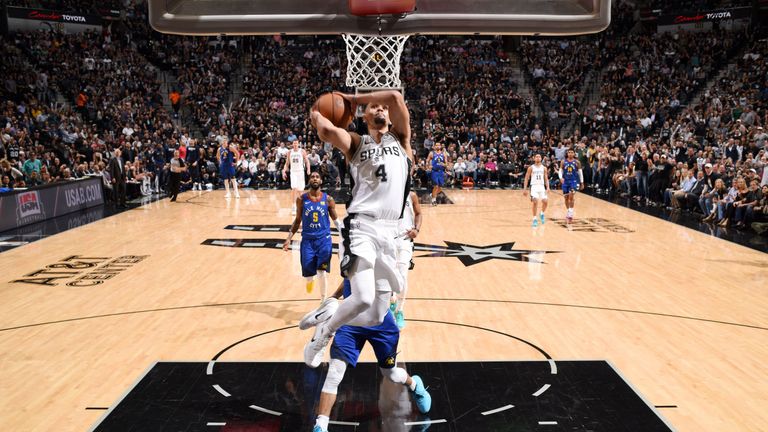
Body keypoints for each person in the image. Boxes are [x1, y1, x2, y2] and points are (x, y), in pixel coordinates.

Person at [303, 90, 413, 368]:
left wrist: (356, 97)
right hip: (362, 226)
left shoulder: (402, 141)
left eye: (382, 108)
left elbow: (396, 97)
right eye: (373, 108)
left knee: (376, 315)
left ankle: (330, 313)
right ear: (362, 117)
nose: (380, 110)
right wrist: (316, 113)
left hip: (392, 232)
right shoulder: (356, 142)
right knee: (362, 296)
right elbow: (327, 130)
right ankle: (322, 336)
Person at [307, 280, 431, 432]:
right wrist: (333, 297)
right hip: (350, 322)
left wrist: (391, 294)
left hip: (381, 323)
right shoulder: (350, 256)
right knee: (334, 372)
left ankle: (414, 385)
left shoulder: (384, 258)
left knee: (390, 374)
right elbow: (348, 276)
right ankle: (320, 425)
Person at [283, 172, 341, 300]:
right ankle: (310, 280)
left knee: (322, 272)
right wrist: (288, 238)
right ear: (309, 181)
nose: (315, 178)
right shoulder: (301, 200)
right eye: (312, 177)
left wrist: (344, 235)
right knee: (309, 275)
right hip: (308, 241)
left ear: (321, 181)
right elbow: (297, 221)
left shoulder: (328, 199)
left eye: (317, 177)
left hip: (324, 240)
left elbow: (336, 220)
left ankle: (323, 301)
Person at [391, 190, 421, 329]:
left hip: (405, 239)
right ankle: (391, 302)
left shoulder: (412, 195)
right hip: (388, 240)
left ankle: (399, 310)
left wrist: (417, 229)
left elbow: (419, 213)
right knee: (389, 275)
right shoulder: (386, 191)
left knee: (402, 274)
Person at [283, 139, 311, 215]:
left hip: (301, 172)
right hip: (293, 172)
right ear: (292, 144)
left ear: (298, 144)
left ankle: (301, 206)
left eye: (296, 143)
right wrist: (283, 171)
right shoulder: (289, 152)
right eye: (294, 143)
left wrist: (308, 169)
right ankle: (293, 206)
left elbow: (307, 161)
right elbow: (287, 163)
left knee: (301, 191)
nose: (295, 144)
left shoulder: (302, 151)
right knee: (294, 188)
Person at [523, 153, 550, 227]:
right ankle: (534, 219)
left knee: (545, 201)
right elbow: (526, 178)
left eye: (539, 157)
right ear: (534, 158)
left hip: (541, 186)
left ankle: (542, 213)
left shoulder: (544, 168)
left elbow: (546, 178)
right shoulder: (531, 168)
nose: (538, 158)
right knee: (535, 201)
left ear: (541, 158)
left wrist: (548, 187)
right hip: (534, 186)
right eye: (536, 157)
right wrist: (525, 189)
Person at [559, 148, 584, 223]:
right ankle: (569, 211)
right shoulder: (563, 162)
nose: (570, 153)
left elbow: (580, 173)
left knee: (571, 196)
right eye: (569, 152)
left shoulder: (577, 162)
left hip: (573, 181)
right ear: (567, 153)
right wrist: (560, 178)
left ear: (574, 154)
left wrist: (582, 182)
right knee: (566, 198)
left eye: (571, 152)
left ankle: (571, 212)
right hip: (565, 182)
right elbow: (560, 171)